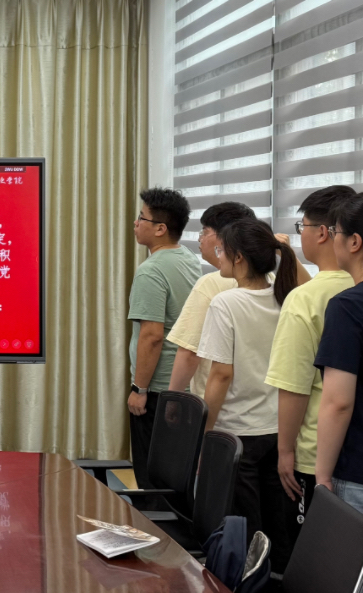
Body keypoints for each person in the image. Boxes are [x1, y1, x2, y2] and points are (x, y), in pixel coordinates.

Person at [196, 218, 299, 570]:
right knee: (277, 529)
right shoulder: (286, 297)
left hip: (238, 432)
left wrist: (203, 433)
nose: (218, 256)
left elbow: (220, 374)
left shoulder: (225, 303)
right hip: (279, 430)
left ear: (239, 257)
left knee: (244, 535)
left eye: (221, 250)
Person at [264, 186, 358, 550]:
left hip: (320, 454)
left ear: (323, 233)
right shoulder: (350, 286)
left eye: (301, 226)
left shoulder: (308, 300)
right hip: (352, 451)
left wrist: (285, 451)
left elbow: (294, 386)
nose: (299, 233)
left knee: (317, 558)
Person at [127, 187, 201, 489]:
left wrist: (139, 389)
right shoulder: (188, 258)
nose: (135, 223)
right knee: (175, 479)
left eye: (141, 218)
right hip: (183, 387)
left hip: (157, 391)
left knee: (152, 480)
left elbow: (152, 336)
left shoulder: (151, 271)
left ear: (160, 228)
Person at [167, 202, 258, 394]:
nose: (200, 238)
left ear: (226, 237)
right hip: (259, 401)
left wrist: (172, 400)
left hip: (217, 401)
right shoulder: (270, 280)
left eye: (205, 232)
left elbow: (189, 353)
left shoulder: (211, 283)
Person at [315, 197, 363, 514]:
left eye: (335, 232)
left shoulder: (348, 306)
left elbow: (338, 402)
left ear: (354, 242)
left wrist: (322, 476)